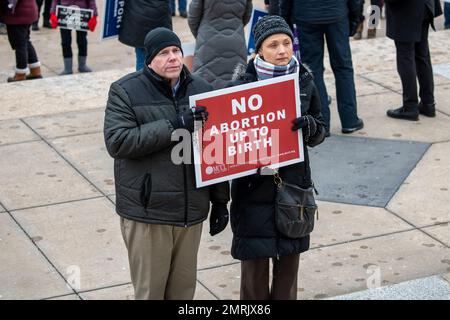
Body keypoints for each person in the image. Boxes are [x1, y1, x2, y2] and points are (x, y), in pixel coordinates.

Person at [103, 27, 230, 300]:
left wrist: (220, 201)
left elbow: (215, 149)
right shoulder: (125, 91)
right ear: (149, 60)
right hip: (149, 214)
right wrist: (174, 125)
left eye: (176, 51)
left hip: (191, 213)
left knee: (183, 294)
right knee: (151, 293)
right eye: (164, 53)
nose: (172, 58)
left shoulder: (202, 89)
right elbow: (118, 142)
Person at [229, 15, 326, 300]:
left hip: (293, 191)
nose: (283, 50)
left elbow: (320, 128)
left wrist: (310, 127)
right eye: (273, 45)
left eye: (287, 43)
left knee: (287, 280)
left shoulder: (305, 80)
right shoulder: (241, 85)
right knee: (254, 282)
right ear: (259, 50)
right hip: (252, 192)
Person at [280, 0, 364, 136]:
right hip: (336, 13)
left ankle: (322, 123)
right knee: (343, 67)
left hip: (306, 14)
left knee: (314, 70)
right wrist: (356, 16)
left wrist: (285, 17)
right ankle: (349, 120)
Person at [385, 0, 442, 120]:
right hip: (425, 6)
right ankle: (428, 104)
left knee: (406, 57)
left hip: (407, 10)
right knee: (422, 55)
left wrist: (373, 23)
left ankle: (410, 106)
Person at [188, 0, 252, 89]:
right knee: (236, 85)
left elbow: (193, 18)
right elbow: (247, 15)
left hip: (208, 40)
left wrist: (202, 36)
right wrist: (235, 28)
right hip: (235, 41)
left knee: (204, 86)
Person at [119, 0, 172, 71]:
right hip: (159, 16)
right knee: (160, 55)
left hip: (138, 16)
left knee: (142, 57)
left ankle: (142, 80)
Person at [49, 0, 97, 75]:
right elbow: (55, 1)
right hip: (64, 15)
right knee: (65, 42)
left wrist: (94, 15)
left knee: (82, 41)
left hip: (82, 15)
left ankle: (82, 65)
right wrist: (53, 13)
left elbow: (91, 1)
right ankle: (67, 68)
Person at [0, 0, 43, 82]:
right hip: (28, 11)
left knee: (20, 44)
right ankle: (35, 70)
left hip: (18, 15)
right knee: (25, 40)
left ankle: (20, 73)